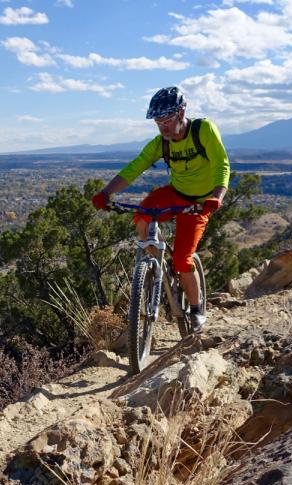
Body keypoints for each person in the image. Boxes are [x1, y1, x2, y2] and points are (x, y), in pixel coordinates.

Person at [91, 86, 230, 330]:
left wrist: (217, 197)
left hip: (200, 202)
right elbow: (134, 168)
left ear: (181, 112)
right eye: (158, 122)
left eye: (167, 120)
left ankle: (196, 309)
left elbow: (221, 164)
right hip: (174, 194)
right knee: (142, 215)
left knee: (183, 259)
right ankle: (156, 264)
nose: (162, 127)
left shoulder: (203, 130)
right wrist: (106, 193)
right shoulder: (160, 143)